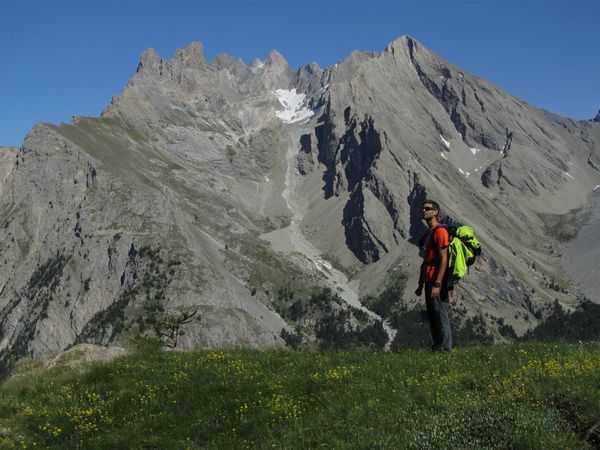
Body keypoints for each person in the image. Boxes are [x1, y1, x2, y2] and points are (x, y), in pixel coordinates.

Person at [415, 200, 452, 351]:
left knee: (440, 314)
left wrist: (438, 283)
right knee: (433, 315)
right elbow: (426, 261)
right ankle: (437, 347)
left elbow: (444, 259)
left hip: (437, 280)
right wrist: (421, 284)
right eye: (423, 208)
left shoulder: (440, 232)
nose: (424, 211)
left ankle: (445, 349)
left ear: (436, 212)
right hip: (428, 278)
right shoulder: (430, 232)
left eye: (428, 209)